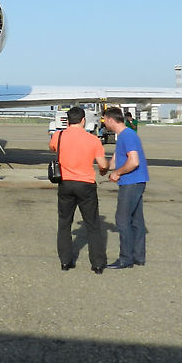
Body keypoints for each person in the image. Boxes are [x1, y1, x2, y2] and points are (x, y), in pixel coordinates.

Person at [49, 106, 109, 274]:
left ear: (67, 121)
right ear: (84, 120)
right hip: (86, 184)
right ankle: (97, 264)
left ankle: (65, 261)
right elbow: (103, 164)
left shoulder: (58, 136)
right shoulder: (93, 140)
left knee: (64, 223)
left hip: (66, 183)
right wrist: (105, 170)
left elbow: (53, 147)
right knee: (93, 225)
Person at [102, 106, 150, 269]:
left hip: (131, 181)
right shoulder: (125, 135)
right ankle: (138, 256)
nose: (104, 124)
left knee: (122, 220)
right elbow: (115, 161)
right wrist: (104, 167)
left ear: (110, 119)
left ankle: (125, 258)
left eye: (104, 120)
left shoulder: (127, 135)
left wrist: (117, 173)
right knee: (136, 220)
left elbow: (133, 161)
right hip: (136, 181)